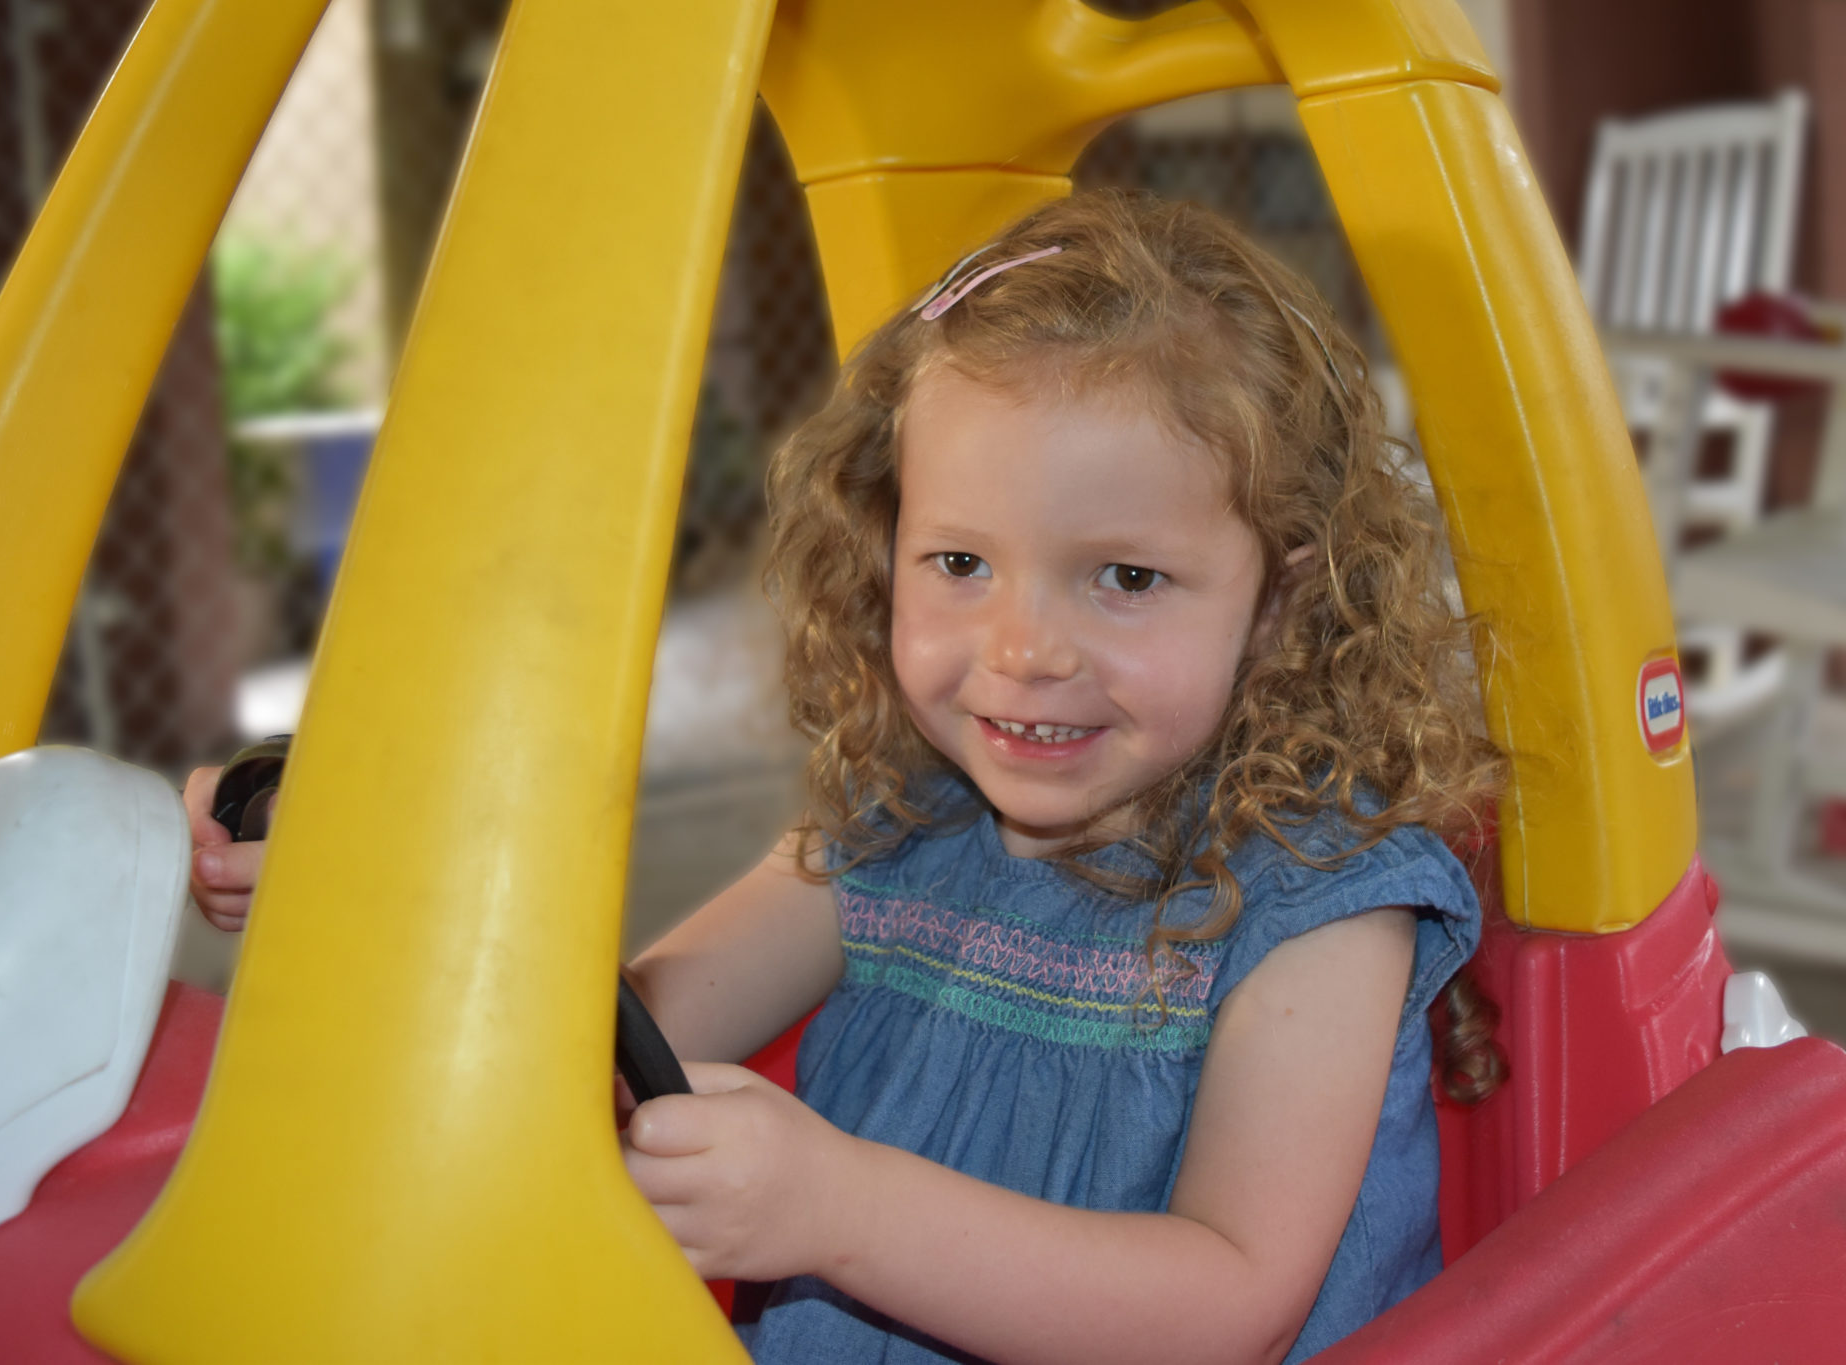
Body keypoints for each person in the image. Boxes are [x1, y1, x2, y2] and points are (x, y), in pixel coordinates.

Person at [184, 189, 1506, 1364]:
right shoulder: (890, 831)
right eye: (959, 564)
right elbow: (605, 1035)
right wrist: (372, 892)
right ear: (883, 557)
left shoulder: (1319, 904)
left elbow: (1228, 1307)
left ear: (1279, 607)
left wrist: (841, 1209)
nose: (1025, 650)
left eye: (1127, 576)